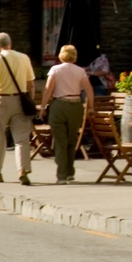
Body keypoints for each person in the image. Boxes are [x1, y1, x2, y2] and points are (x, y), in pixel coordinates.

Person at [39, 44, 94, 184]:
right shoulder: (80, 71)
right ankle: (70, 171)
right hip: (75, 104)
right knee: (71, 139)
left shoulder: (55, 70)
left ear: (61, 55)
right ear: (74, 56)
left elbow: (48, 90)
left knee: (60, 141)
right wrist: (91, 107)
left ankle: (61, 175)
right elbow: (89, 90)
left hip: (59, 104)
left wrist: (43, 107)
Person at [0, 32, 36, 186]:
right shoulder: (24, 58)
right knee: (22, 139)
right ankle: (23, 170)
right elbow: (31, 84)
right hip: (20, 100)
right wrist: (30, 100)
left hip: (2, 100)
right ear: (11, 44)